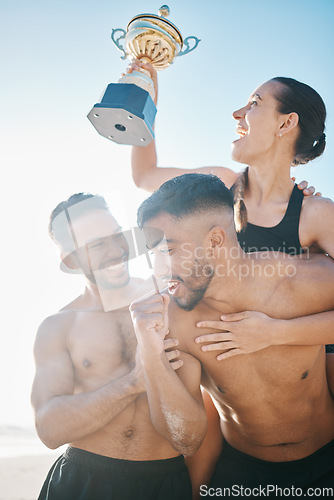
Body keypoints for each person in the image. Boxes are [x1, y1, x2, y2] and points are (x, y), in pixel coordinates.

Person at [130, 173, 334, 496]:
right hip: (243, 474)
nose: (160, 269)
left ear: (214, 241)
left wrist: (278, 332)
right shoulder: (176, 320)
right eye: (155, 254)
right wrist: (150, 351)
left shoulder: (298, 282)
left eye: (169, 250)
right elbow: (186, 438)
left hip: (326, 462)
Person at [31, 193, 205, 500]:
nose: (115, 251)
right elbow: (49, 429)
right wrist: (133, 383)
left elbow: (188, 441)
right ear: (71, 259)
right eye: (97, 244)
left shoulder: (169, 301)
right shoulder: (59, 326)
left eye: (117, 236)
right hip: (81, 481)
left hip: (162, 482)